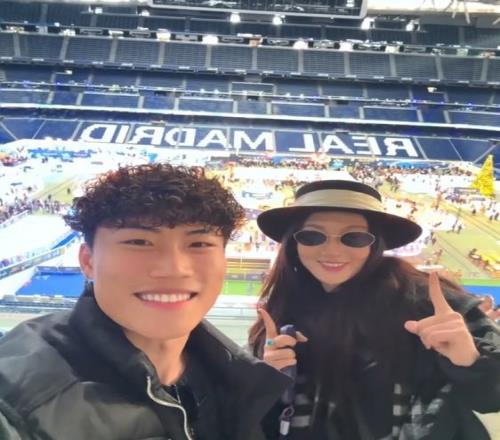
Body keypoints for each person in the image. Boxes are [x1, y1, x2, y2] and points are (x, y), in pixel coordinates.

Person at [0, 163, 290, 440]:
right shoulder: (16, 402)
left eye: (199, 244)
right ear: (88, 261)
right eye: (138, 242)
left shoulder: (240, 380)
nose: (174, 269)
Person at [249, 179, 500, 440]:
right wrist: (268, 378)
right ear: (294, 243)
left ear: (375, 244)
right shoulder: (283, 309)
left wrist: (471, 360)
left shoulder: (431, 304)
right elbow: (262, 416)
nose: (332, 250)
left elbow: (492, 398)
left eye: (354, 238)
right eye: (312, 236)